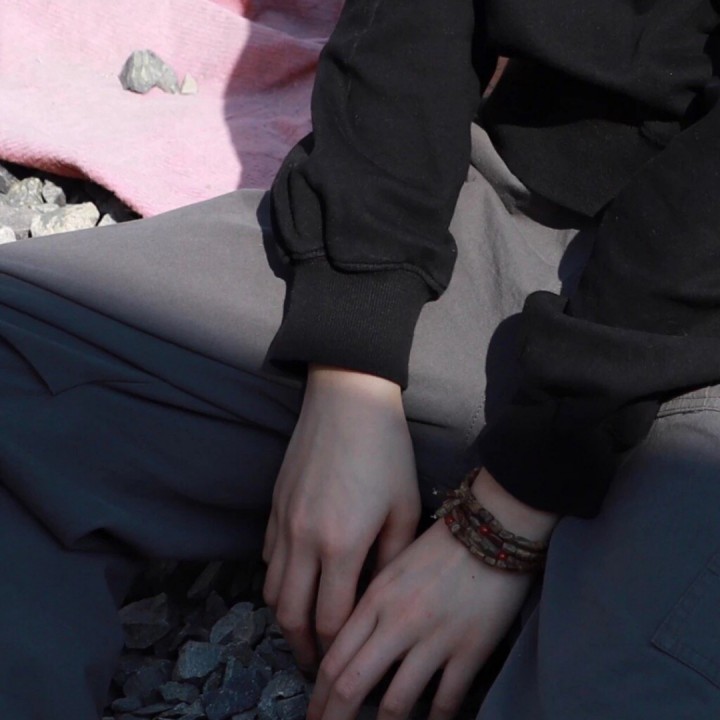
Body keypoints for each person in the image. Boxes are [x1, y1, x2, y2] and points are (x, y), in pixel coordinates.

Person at [2, 1, 720, 719]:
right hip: (497, 214)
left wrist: (505, 515)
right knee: (19, 371)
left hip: (701, 365)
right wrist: (353, 358)